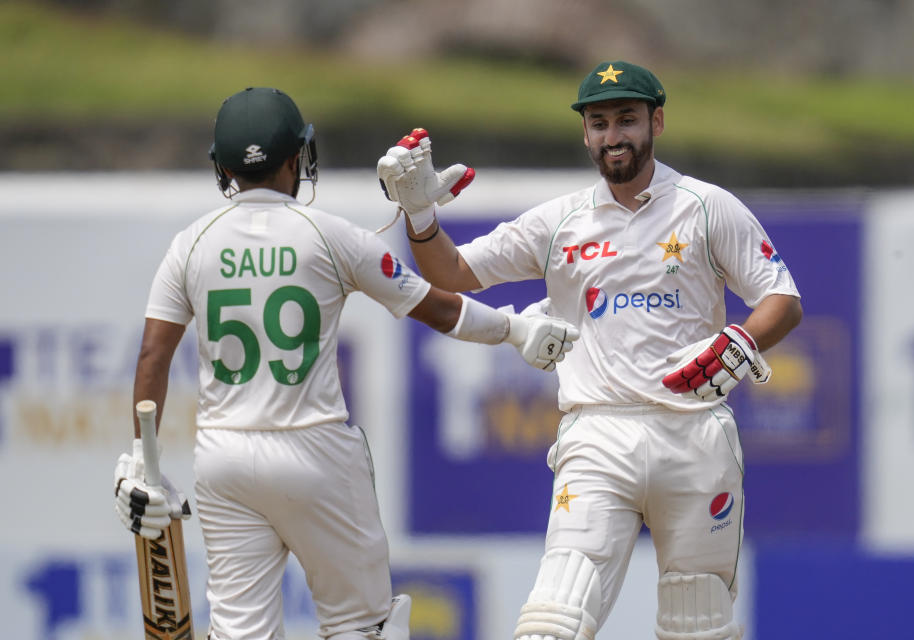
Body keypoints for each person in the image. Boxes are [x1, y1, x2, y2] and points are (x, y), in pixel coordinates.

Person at [112, 87, 578, 640]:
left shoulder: (190, 244)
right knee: (361, 626)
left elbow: (153, 355)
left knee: (241, 633)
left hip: (225, 458)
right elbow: (437, 308)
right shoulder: (330, 235)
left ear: (225, 167)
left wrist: (141, 460)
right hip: (317, 453)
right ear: (296, 159)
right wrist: (517, 329)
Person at [376, 62, 803, 640]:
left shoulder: (706, 206)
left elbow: (782, 296)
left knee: (699, 622)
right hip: (598, 436)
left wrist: (744, 339)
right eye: (599, 123)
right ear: (585, 133)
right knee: (554, 621)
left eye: (626, 120)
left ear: (656, 121)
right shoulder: (561, 221)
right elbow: (454, 273)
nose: (613, 136)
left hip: (696, 434)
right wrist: (420, 217)